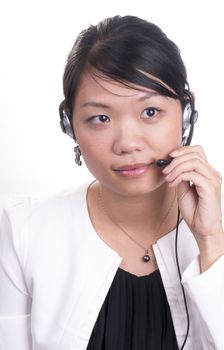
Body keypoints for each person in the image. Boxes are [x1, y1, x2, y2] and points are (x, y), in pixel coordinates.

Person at [0, 15, 224, 350]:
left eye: (150, 112)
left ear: (186, 115)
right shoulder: (23, 232)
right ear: (71, 126)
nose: (128, 143)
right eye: (100, 118)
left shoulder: (217, 229)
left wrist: (211, 241)